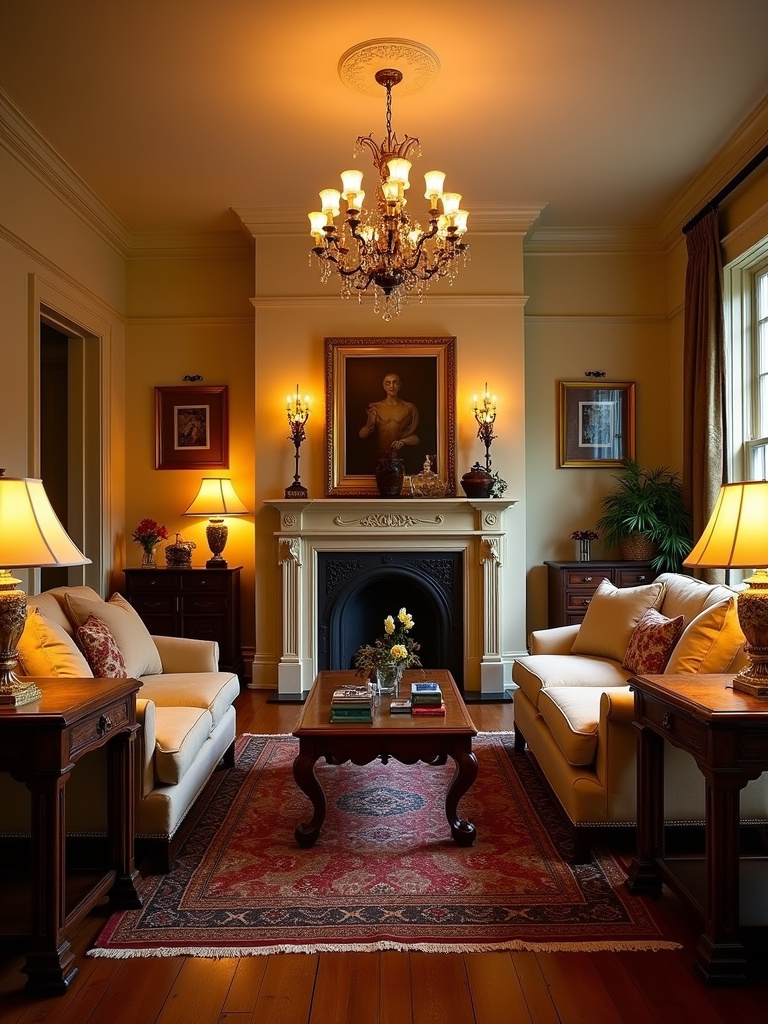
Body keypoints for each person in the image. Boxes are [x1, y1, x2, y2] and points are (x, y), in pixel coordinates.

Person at [359, 372, 420, 460]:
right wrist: (369, 424)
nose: (392, 386)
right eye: (388, 383)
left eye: (395, 382)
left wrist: (403, 441)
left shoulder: (410, 408)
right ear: (384, 385)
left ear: (400, 384)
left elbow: (416, 439)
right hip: (377, 458)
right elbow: (362, 435)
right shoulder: (375, 407)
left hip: (399, 458)